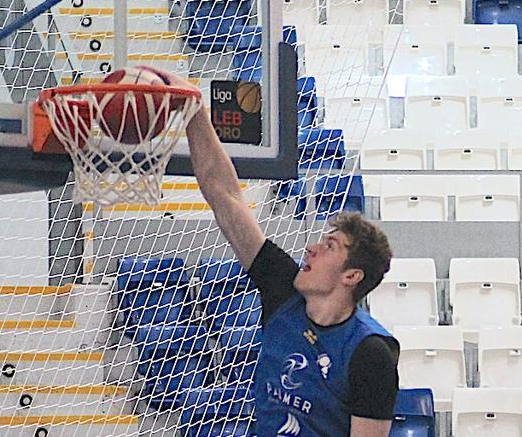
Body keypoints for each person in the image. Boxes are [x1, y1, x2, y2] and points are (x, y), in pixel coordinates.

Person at [164, 69, 399, 437]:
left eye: (330, 246)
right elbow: (223, 193)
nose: (312, 248)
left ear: (351, 276)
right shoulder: (282, 292)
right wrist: (193, 110)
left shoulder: (370, 354)